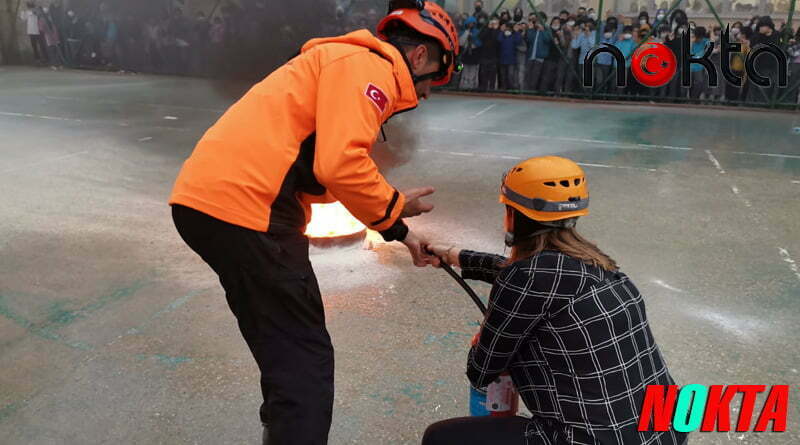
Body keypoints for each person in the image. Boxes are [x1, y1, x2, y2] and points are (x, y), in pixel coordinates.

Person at [169, 1, 458, 443]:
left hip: (212, 202)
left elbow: (312, 171)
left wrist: (400, 231)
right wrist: (394, 205)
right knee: (305, 363)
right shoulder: (372, 67)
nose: (427, 91)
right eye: (433, 76)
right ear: (419, 56)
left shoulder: (340, 60)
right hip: (250, 209)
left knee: (285, 351)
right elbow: (339, 165)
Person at [422, 156, 686, 445]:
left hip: (591, 440)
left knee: (440, 438)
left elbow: (482, 370)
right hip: (667, 431)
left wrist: (482, 341)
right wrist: (454, 255)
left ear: (514, 215)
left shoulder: (526, 278)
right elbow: (528, 275)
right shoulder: (599, 265)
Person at [525, 13, 551, 91]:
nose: (537, 22)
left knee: (535, 76)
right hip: (530, 56)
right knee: (527, 74)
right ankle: (526, 90)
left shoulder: (547, 29)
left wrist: (543, 30)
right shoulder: (533, 29)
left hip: (540, 57)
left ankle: (532, 91)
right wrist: (530, 29)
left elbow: (547, 40)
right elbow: (529, 40)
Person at [459, 16, 482, 90]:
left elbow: (479, 43)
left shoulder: (477, 32)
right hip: (465, 53)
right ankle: (464, 85)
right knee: (464, 69)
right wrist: (466, 34)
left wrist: (473, 38)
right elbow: (461, 43)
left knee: (473, 70)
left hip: (474, 53)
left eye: (472, 23)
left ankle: (472, 85)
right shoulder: (463, 32)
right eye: (469, 23)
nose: (471, 25)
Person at [497, 22, 521, 90]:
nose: (507, 29)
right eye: (506, 28)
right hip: (502, 59)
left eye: (509, 28)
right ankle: (504, 87)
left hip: (511, 60)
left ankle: (510, 88)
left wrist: (516, 32)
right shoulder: (502, 36)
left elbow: (518, 40)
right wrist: (501, 31)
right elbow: (499, 39)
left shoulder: (513, 36)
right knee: (503, 75)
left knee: (510, 75)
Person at [478, 18, 500, 91]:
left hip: (494, 55)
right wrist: (489, 28)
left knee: (493, 73)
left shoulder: (498, 31)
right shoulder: (485, 29)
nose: (493, 24)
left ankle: (492, 88)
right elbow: (481, 37)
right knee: (483, 72)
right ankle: (483, 87)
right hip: (484, 54)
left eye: (495, 23)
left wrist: (495, 29)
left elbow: (496, 39)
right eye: (492, 23)